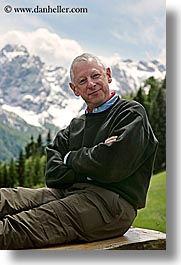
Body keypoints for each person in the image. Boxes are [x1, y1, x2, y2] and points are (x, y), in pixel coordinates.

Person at [0, 53, 158, 250]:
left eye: (95, 76)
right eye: (82, 81)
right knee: (5, 198)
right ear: (74, 89)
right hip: (69, 193)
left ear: (108, 75)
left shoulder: (130, 113)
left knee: (13, 228)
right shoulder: (75, 126)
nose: (91, 84)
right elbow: (52, 173)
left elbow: (112, 166)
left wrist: (69, 158)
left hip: (111, 205)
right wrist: (95, 157)